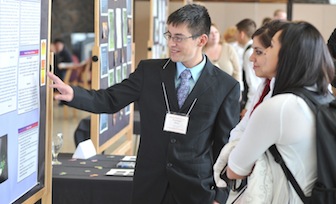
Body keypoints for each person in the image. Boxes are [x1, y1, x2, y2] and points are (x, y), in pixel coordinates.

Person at [48, 4, 240, 204]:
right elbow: (111, 99)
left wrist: (220, 195)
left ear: (201, 40)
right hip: (150, 186)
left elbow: (225, 147)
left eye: (179, 38)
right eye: (169, 35)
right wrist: (73, 94)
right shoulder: (149, 72)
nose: (171, 43)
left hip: (195, 190)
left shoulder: (226, 87)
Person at [226, 21, 334, 203]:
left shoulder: (280, 107)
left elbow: (235, 169)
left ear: (287, 55)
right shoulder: (324, 97)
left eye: (272, 46)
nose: (265, 52)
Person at [213, 20, 289, 203]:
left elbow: (238, 165)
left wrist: (238, 155)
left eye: (259, 52)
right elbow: (241, 129)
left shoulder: (285, 100)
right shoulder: (265, 85)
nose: (251, 58)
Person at [235, 18, 262, 118]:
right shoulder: (250, 50)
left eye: (236, 32)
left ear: (241, 34)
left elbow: (253, 83)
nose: (235, 36)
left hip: (252, 100)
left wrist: (248, 106)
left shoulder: (249, 53)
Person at [203, 23, 243, 90]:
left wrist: (238, 90)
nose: (214, 35)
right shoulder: (200, 52)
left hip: (229, 90)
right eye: (211, 33)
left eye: (216, 32)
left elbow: (237, 71)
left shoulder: (228, 48)